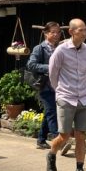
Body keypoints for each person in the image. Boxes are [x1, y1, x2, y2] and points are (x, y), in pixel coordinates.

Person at [46, 18, 86, 171]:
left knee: (81, 135)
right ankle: (51, 154)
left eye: (85, 30)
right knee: (64, 135)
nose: (84, 33)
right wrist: (60, 91)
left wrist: (80, 88)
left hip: (84, 98)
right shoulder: (61, 50)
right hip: (66, 97)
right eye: (81, 30)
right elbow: (53, 74)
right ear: (71, 32)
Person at [26, 21, 60, 149]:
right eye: (53, 32)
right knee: (52, 112)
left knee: (49, 113)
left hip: (58, 86)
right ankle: (58, 140)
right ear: (46, 33)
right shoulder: (39, 48)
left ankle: (41, 139)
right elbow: (31, 65)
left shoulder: (59, 48)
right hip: (45, 86)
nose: (56, 35)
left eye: (58, 32)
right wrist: (50, 67)